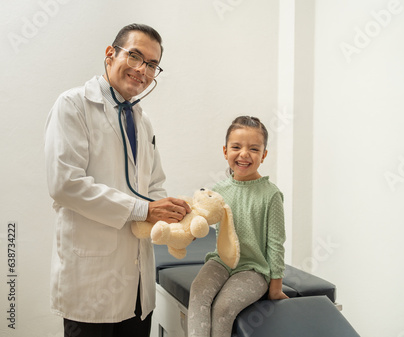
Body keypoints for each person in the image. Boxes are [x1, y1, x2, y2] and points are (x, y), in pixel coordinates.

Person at [44, 23, 191, 337]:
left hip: (137, 286)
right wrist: (143, 210)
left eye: (151, 64)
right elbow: (66, 183)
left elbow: (154, 186)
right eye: (135, 56)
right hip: (90, 282)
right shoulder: (73, 105)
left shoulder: (142, 120)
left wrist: (171, 217)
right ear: (110, 54)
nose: (142, 69)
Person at [188, 116, 288, 337]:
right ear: (225, 151)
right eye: (236, 147)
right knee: (198, 291)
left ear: (264, 155)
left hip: (253, 268)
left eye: (253, 148)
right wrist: (188, 229)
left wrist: (276, 287)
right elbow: (203, 221)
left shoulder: (271, 195)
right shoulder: (219, 190)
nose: (244, 154)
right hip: (221, 262)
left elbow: (276, 244)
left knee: (223, 309)